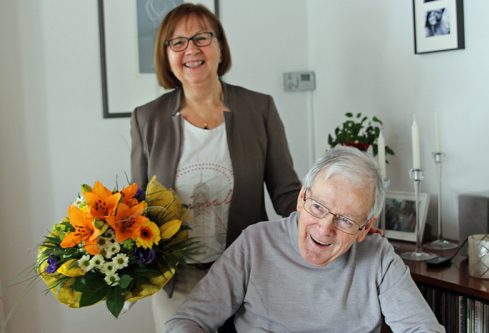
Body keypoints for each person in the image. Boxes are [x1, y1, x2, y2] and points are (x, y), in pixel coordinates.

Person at [130, 3, 301, 332]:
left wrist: (329, 220)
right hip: (176, 281)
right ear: (166, 56)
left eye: (201, 38)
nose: (191, 49)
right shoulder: (146, 119)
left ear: (220, 47)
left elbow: (286, 192)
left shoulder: (259, 108)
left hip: (246, 272)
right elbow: (136, 208)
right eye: (177, 42)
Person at [164, 146, 445, 332]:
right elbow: (188, 320)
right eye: (318, 207)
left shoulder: (379, 257)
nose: (325, 229)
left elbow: (423, 329)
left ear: (364, 228)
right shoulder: (255, 244)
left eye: (346, 220)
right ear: (301, 198)